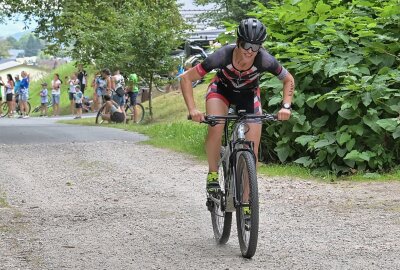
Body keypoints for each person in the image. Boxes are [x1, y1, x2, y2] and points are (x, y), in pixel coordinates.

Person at [180, 18, 295, 195]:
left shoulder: (264, 60)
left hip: (248, 96)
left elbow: (288, 79)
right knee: (216, 127)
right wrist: (193, 110)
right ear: (238, 42)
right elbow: (186, 78)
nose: (250, 51)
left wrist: (286, 106)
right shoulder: (222, 55)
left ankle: (248, 204)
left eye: (255, 47)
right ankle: (212, 174)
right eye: (246, 45)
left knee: (253, 149)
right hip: (221, 91)